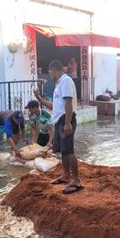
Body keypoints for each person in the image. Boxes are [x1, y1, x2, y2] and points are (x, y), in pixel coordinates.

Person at [34, 59, 83, 194]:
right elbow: (54, 107)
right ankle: (66, 175)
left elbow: (68, 102)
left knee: (69, 150)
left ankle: (76, 180)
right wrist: (39, 99)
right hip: (60, 121)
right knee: (63, 150)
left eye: (50, 72)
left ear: (54, 70)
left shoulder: (66, 81)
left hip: (66, 119)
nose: (50, 75)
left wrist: (67, 123)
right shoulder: (59, 84)